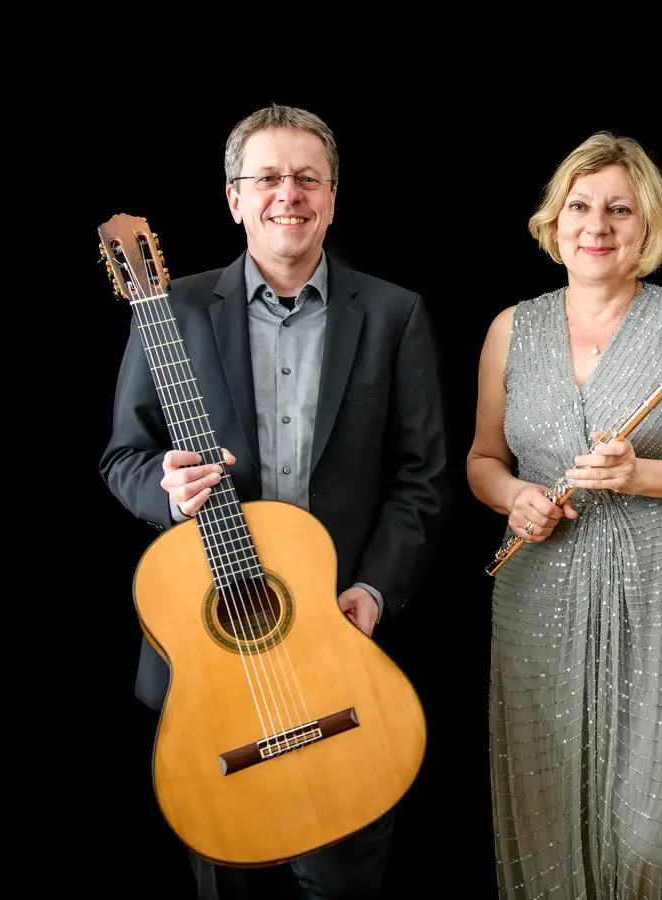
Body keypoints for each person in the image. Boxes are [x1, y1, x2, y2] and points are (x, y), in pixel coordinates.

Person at [99, 103, 451, 900]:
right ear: (233, 197)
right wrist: (167, 488)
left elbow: (421, 476)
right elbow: (122, 458)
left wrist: (373, 591)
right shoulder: (171, 311)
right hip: (209, 678)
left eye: (306, 177)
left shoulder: (394, 314)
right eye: (267, 177)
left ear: (331, 195)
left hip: (339, 656)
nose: (286, 194)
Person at [465, 132, 662, 899]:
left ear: (647, 226)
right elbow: (482, 461)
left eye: (619, 210)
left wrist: (639, 473)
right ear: (554, 220)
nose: (597, 225)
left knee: (655, 826)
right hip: (538, 593)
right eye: (581, 206)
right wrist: (514, 498)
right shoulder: (510, 329)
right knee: (550, 807)